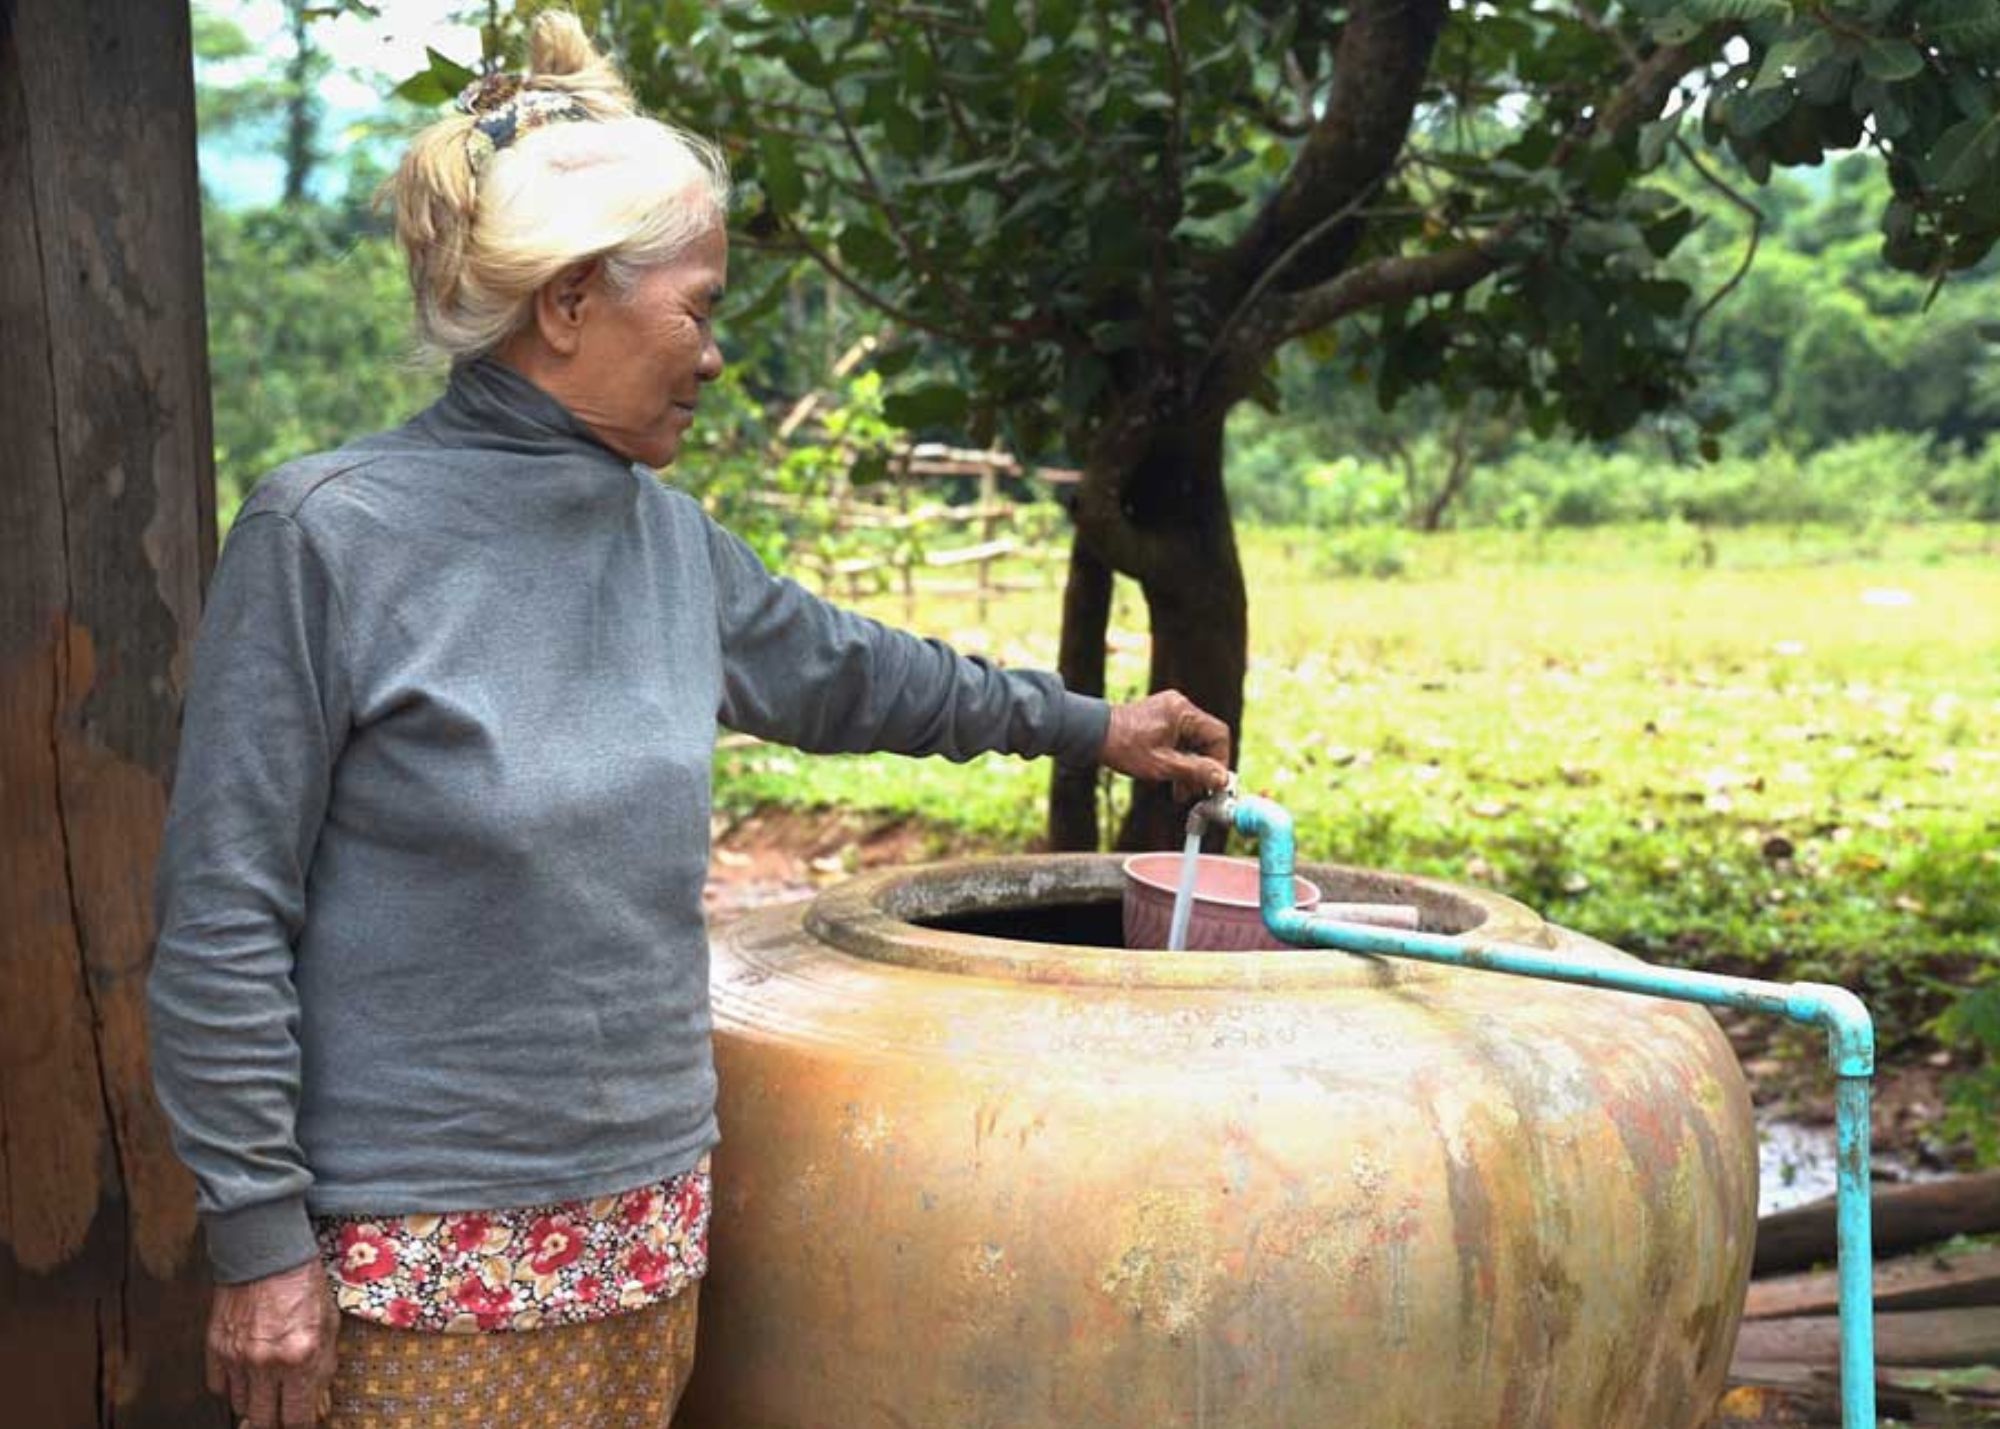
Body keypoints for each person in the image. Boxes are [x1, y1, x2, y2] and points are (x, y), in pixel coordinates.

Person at [147, 14, 1231, 1429]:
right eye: (699, 306)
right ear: (569, 302)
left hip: (648, 1223)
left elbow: (859, 674)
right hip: (410, 1257)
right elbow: (220, 918)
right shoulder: (329, 537)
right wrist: (259, 1240)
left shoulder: (666, 542)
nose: (714, 354)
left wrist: (1094, 726)